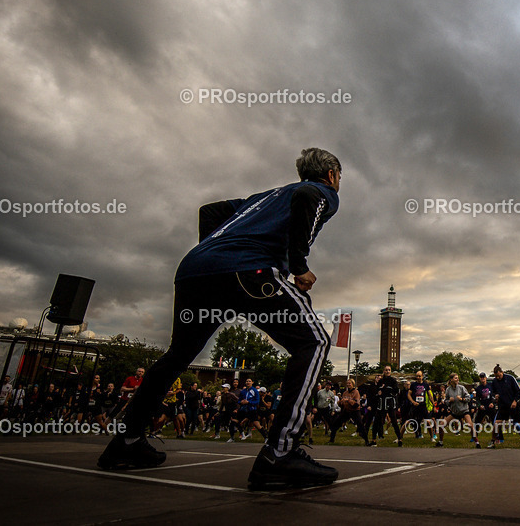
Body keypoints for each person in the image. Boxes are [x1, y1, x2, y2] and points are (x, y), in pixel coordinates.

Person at [98, 148, 342, 489]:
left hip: (195, 272)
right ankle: (280, 454)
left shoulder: (261, 198)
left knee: (177, 356)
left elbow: (210, 210)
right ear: (331, 175)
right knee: (314, 341)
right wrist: (299, 266)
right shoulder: (321, 191)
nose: (337, 183)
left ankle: (126, 442)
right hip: (247, 269)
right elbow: (307, 195)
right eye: (338, 178)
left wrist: (214, 252)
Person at [490, 365, 520, 446]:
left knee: (518, 423)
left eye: (499, 375)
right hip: (503, 406)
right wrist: (495, 396)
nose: (498, 378)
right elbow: (492, 392)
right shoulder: (495, 381)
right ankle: (493, 441)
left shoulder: (510, 378)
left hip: (513, 405)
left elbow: (518, 391)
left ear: (502, 372)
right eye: (496, 376)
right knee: (496, 423)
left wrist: (515, 401)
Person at [437, 373, 479, 447]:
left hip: (464, 411)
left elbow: (469, 398)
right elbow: (445, 402)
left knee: (470, 425)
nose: (457, 379)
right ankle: (440, 442)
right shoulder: (448, 390)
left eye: (458, 378)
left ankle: (477, 443)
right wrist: (449, 401)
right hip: (454, 412)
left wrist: (462, 399)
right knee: (441, 425)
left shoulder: (462, 388)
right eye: (456, 378)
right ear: (451, 380)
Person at [329, 379, 368, 445]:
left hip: (355, 411)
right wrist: (340, 402)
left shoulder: (356, 392)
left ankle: (366, 440)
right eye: (347, 383)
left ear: (353, 384)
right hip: (346, 410)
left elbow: (356, 404)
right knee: (336, 423)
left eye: (349, 383)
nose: (348, 384)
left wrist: (348, 400)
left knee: (360, 425)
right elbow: (342, 404)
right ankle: (331, 440)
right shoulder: (345, 393)